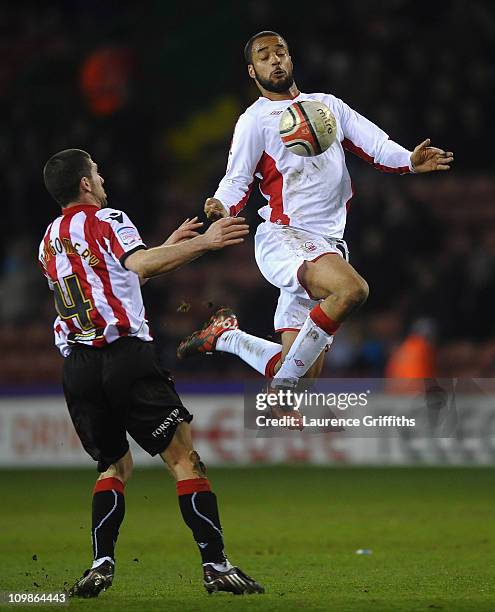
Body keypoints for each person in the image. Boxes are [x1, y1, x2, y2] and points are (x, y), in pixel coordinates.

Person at [178, 31, 454, 402]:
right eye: (264, 56)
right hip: (286, 237)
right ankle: (281, 390)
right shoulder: (256, 119)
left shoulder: (327, 106)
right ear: (251, 70)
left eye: (281, 52)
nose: (275, 60)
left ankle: (226, 336)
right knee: (351, 289)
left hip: (328, 245)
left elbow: (375, 145)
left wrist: (409, 160)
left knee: (302, 370)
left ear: (291, 59)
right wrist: (221, 205)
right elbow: (237, 178)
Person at [38, 148, 263, 597]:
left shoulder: (48, 239)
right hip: (125, 356)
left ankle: (102, 561)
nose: (102, 180)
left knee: (113, 465)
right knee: (183, 458)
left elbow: (116, 282)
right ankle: (216, 566)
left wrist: (171, 245)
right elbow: (137, 266)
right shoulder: (108, 219)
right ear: (85, 184)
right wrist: (205, 242)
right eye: (96, 174)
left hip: (79, 368)